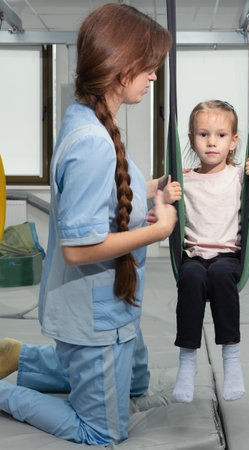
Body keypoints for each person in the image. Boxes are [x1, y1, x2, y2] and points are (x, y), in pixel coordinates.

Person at [0, 3, 181, 446]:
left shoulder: (91, 117)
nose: (153, 77)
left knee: (137, 385)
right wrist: (158, 232)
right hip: (93, 314)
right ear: (123, 71)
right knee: (102, 432)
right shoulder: (93, 144)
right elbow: (78, 250)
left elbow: (114, 192)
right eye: (150, 68)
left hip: (119, 303)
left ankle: (19, 357)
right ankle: (6, 391)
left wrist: (160, 185)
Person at [164, 100, 249, 403]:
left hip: (228, 256)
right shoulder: (184, 178)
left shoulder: (240, 177)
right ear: (191, 140)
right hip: (192, 257)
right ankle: (187, 363)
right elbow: (162, 211)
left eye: (221, 135)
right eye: (203, 134)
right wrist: (165, 196)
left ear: (233, 142)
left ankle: (231, 359)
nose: (211, 142)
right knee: (190, 280)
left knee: (221, 276)